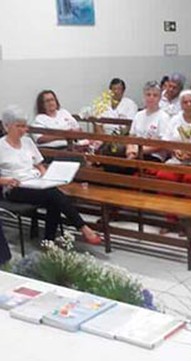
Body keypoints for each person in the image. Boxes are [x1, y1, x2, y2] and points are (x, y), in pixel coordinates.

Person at [0, 106, 101, 244]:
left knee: (53, 198)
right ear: (7, 126)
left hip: (35, 183)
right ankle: (83, 228)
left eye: (25, 126)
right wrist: (5, 180)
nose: (23, 130)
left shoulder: (27, 142)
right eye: (19, 126)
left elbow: (39, 164)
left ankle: (49, 241)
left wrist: (45, 176)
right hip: (14, 188)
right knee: (53, 195)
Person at [126, 81, 171, 162]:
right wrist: (129, 150)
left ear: (160, 98)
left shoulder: (164, 117)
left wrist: (139, 151)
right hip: (134, 152)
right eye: (148, 95)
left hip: (153, 155)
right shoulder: (138, 115)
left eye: (155, 95)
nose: (151, 98)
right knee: (111, 164)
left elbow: (162, 143)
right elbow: (131, 136)